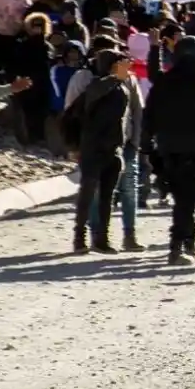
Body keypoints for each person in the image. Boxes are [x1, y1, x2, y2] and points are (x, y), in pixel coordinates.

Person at [141, 36, 195, 265]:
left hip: (166, 148)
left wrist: (147, 145)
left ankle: (188, 241)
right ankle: (177, 247)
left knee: (182, 197)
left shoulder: (164, 81)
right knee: (187, 199)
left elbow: (149, 114)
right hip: (192, 149)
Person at [70, 49, 132, 254]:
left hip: (113, 149)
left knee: (107, 196)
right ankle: (79, 237)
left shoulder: (121, 87)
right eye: (120, 63)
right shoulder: (97, 85)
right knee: (87, 193)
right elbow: (96, 93)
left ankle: (101, 239)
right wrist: (114, 78)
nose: (126, 67)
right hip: (93, 149)